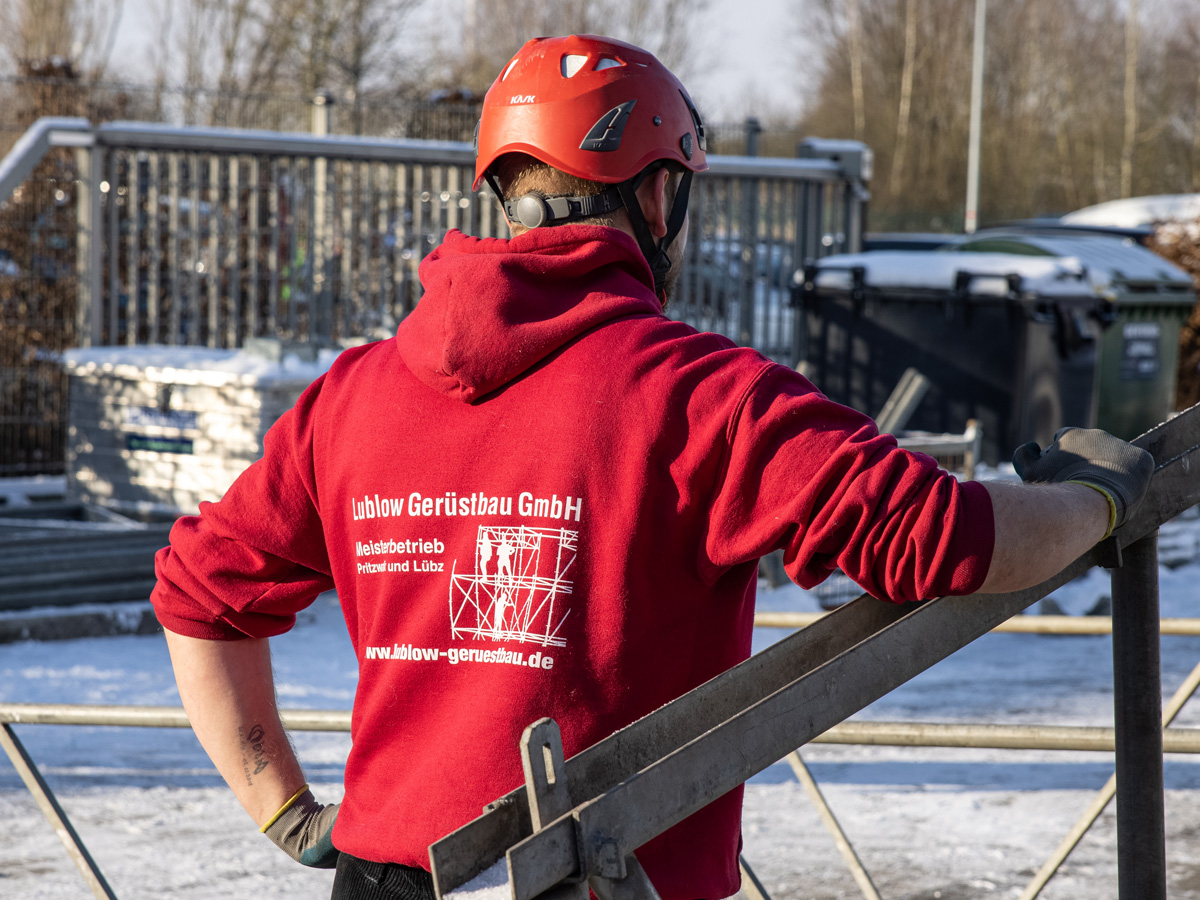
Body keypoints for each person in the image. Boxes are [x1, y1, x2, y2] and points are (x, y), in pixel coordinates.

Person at [150, 33, 1153, 900]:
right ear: (658, 194)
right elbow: (953, 539)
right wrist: (1094, 501)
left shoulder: (353, 396)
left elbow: (200, 594)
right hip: (604, 876)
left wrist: (281, 807)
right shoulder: (696, 396)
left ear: (505, 187)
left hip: (387, 879)